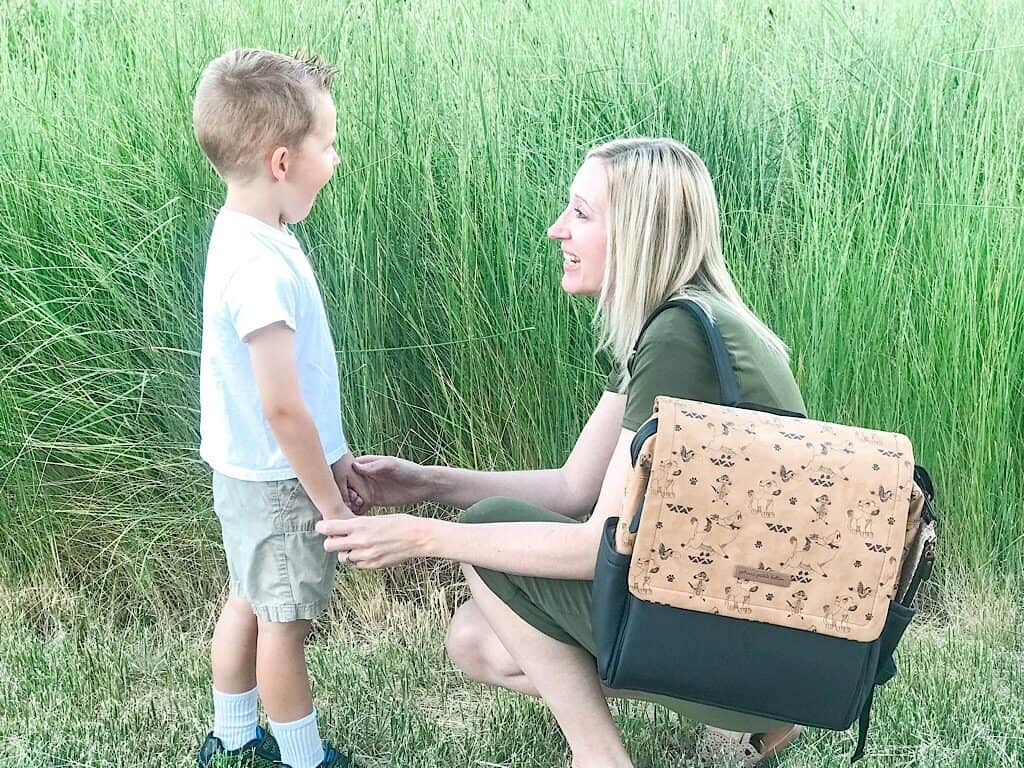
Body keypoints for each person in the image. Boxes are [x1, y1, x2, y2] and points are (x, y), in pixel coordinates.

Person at [317, 138, 807, 768]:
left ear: (635, 232)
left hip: (750, 640)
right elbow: (576, 486)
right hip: (759, 630)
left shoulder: (678, 338)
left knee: (486, 535)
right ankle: (749, 723)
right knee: (477, 640)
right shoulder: (677, 324)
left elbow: (594, 542)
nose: (557, 230)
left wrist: (422, 537)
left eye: (580, 213)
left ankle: (599, 758)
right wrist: (422, 483)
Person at [191, 48, 364, 768]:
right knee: (283, 623)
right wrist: (328, 500)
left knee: (251, 600)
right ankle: (303, 758)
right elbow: (283, 407)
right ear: (283, 162)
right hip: (278, 480)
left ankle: (231, 740)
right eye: (328, 143)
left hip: (246, 474)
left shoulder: (250, 234)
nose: (337, 155)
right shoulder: (261, 267)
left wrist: (337, 451)